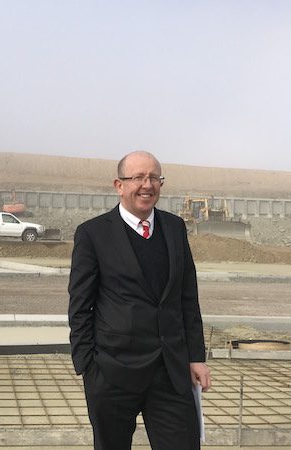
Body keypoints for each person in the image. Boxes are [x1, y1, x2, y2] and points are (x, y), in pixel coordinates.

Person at [68, 151, 211, 450]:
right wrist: (88, 366)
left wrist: (196, 356)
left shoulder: (174, 228)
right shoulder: (93, 234)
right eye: (138, 178)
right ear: (119, 185)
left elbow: (187, 296)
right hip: (113, 372)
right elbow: (80, 305)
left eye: (154, 178)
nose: (147, 185)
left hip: (170, 370)